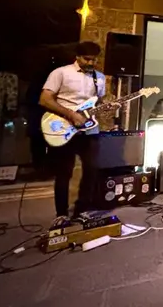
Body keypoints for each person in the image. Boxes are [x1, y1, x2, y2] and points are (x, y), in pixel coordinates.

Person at [39, 42, 113, 226]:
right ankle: (61, 214)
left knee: (92, 169)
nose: (91, 62)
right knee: (64, 172)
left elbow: (98, 103)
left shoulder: (100, 77)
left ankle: (82, 210)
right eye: (87, 59)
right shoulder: (61, 73)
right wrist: (70, 114)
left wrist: (109, 107)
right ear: (77, 57)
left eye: (94, 59)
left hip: (89, 130)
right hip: (64, 128)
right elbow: (45, 99)